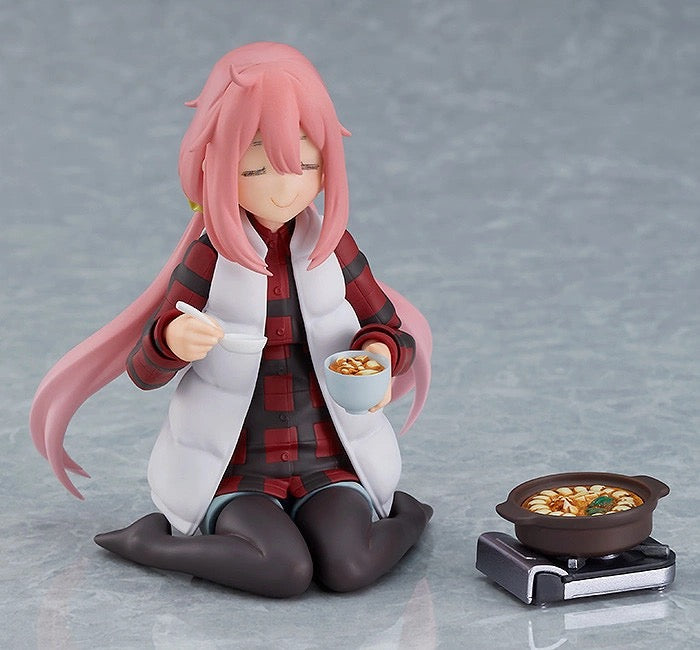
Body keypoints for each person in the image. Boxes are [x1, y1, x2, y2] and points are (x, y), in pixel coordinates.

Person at [30, 42, 432, 597]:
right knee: (284, 571)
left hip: (330, 460)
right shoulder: (210, 258)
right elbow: (143, 370)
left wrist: (380, 354)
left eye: (306, 164)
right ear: (217, 166)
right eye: (257, 167)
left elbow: (392, 332)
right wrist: (173, 340)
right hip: (236, 470)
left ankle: (408, 517)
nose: (285, 186)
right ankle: (149, 544)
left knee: (349, 567)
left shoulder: (333, 248)